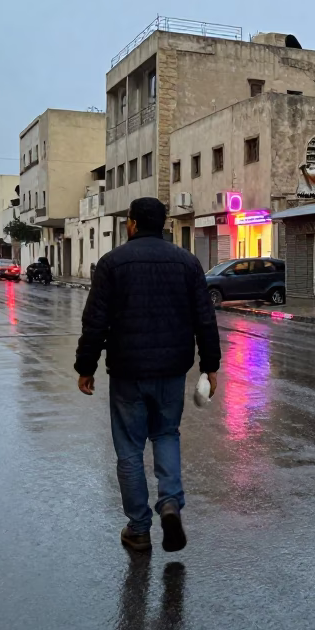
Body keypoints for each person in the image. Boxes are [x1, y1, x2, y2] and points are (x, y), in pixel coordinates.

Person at [75, 197, 221, 554]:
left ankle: (139, 528)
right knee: (167, 434)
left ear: (133, 224)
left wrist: (86, 366)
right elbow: (205, 317)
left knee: (129, 449)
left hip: (128, 372)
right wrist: (210, 365)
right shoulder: (187, 263)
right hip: (172, 369)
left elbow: (95, 321)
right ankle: (170, 503)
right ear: (164, 224)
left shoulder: (112, 263)